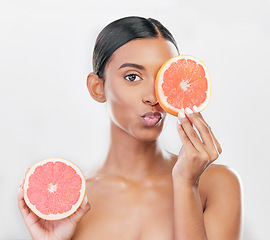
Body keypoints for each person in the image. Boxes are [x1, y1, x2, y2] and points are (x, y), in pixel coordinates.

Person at [18, 16, 242, 240]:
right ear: (98, 88)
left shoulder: (218, 185)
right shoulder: (71, 203)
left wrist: (186, 184)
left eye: (164, 79)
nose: (154, 97)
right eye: (133, 76)